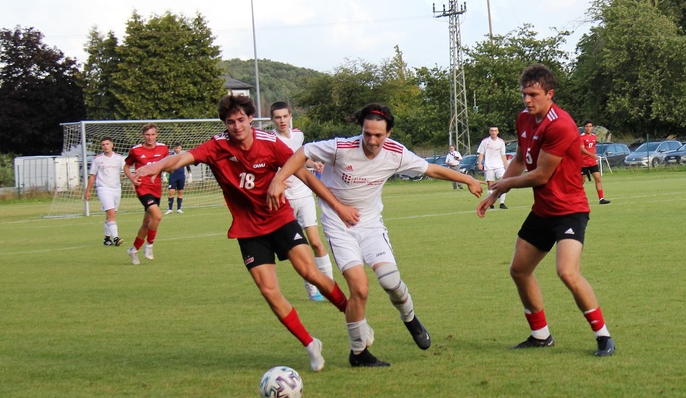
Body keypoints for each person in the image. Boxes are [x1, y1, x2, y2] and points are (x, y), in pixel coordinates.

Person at [132, 94, 349, 373]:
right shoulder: (216, 146)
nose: (236, 126)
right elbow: (182, 158)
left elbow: (304, 175)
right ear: (225, 123)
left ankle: (352, 316)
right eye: (230, 121)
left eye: (241, 120)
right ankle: (310, 344)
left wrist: (337, 205)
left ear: (250, 119)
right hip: (248, 229)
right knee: (269, 291)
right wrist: (156, 165)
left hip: (280, 219)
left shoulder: (270, 143)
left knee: (310, 273)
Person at [269, 103, 484, 368]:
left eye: (378, 135)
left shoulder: (395, 153)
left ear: (389, 133)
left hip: (371, 225)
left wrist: (468, 180)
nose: (371, 140)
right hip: (339, 226)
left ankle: (410, 319)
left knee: (391, 280)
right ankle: (358, 354)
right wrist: (280, 179)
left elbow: (430, 169)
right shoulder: (341, 148)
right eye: (367, 134)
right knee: (359, 288)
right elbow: (303, 152)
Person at [477, 63, 614, 357]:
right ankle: (540, 335)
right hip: (543, 210)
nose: (527, 100)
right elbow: (517, 162)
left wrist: (506, 184)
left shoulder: (561, 124)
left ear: (550, 94)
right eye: (524, 94)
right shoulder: (524, 120)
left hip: (569, 210)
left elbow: (540, 175)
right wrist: (494, 193)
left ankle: (603, 336)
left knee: (567, 272)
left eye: (534, 94)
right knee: (519, 270)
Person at [270, 100, 336, 303]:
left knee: (316, 242)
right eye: (277, 117)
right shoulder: (269, 139)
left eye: (285, 116)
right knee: (301, 248)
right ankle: (312, 290)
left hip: (305, 195)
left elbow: (299, 158)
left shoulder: (298, 135)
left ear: (290, 117)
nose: (282, 120)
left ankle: (329, 286)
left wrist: (313, 163)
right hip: (285, 201)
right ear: (272, 120)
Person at [123, 123, 169, 264]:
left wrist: (169, 169)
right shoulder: (136, 150)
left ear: (157, 135)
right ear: (143, 135)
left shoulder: (163, 149)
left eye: (153, 134)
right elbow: (126, 166)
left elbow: (168, 164)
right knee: (158, 215)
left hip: (157, 189)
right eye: (147, 135)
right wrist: (132, 179)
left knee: (147, 222)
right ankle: (149, 246)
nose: (150, 137)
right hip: (143, 188)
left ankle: (133, 249)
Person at [83, 136, 125, 246]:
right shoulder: (98, 159)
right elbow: (92, 176)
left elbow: (126, 170)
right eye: (103, 144)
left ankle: (107, 238)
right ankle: (116, 238)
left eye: (107, 144)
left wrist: (134, 182)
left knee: (111, 214)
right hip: (103, 188)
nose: (105, 146)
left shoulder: (119, 158)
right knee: (111, 212)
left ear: (112, 145)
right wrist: (88, 191)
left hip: (116, 188)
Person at [578, 120, 611, 205]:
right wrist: (592, 155)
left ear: (592, 127)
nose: (588, 128)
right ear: (584, 127)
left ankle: (601, 199)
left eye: (590, 126)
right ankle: (576, 199)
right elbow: (582, 149)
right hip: (583, 162)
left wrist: (594, 155)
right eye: (587, 126)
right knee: (581, 182)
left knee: (598, 179)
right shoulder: (581, 137)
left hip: (592, 162)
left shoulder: (594, 137)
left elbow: (593, 148)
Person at [477, 125, 509, 209]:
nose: (493, 132)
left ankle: (502, 203)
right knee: (490, 185)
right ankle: (491, 203)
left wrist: (506, 166)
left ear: (498, 132)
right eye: (492, 131)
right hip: (489, 165)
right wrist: (480, 163)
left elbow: (503, 155)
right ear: (489, 132)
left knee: (503, 182)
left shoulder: (501, 142)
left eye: (495, 131)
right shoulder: (485, 141)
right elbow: (481, 153)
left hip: (499, 165)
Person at [164, 142, 187, 214]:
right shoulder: (170, 156)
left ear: (181, 148)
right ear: (174, 148)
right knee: (171, 192)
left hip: (181, 176)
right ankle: (170, 209)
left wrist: (190, 175)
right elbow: (166, 165)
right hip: (173, 176)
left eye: (179, 148)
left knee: (180, 192)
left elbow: (188, 165)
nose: (177, 149)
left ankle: (179, 208)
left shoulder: (183, 156)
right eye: (176, 148)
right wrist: (164, 175)